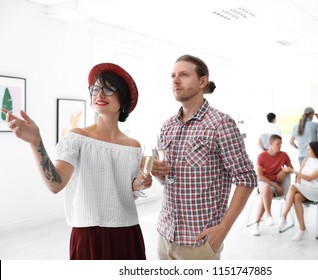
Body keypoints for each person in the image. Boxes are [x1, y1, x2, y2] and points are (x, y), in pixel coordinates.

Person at [1, 63, 152, 260]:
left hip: (127, 231)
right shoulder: (76, 138)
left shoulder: (133, 146)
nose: (99, 94)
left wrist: (138, 184)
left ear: (122, 98)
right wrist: (35, 142)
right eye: (95, 89)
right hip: (88, 234)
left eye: (107, 89)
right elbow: (55, 184)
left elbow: (128, 189)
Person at [152, 54, 257, 260]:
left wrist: (223, 229)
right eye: (173, 75)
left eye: (183, 75)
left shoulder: (221, 124)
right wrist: (158, 173)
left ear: (202, 81)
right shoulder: (167, 126)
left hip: (200, 241)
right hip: (165, 235)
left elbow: (247, 178)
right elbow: (167, 180)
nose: (175, 80)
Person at [278, 141, 318, 241]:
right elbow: (299, 177)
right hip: (306, 188)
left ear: (315, 151)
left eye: (309, 149)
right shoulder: (306, 160)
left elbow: (309, 178)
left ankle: (283, 216)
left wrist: (292, 171)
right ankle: (302, 229)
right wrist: (299, 186)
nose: (307, 151)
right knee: (296, 197)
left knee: (293, 187)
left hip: (317, 191)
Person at [251, 134, 294, 236]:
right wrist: (275, 185)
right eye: (277, 144)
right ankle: (269, 215)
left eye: (281, 144)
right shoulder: (261, 157)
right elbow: (260, 177)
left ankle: (257, 223)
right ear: (270, 144)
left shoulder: (284, 155)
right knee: (265, 188)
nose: (280, 146)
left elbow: (291, 169)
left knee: (265, 194)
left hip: (272, 190)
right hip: (264, 185)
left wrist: (284, 171)